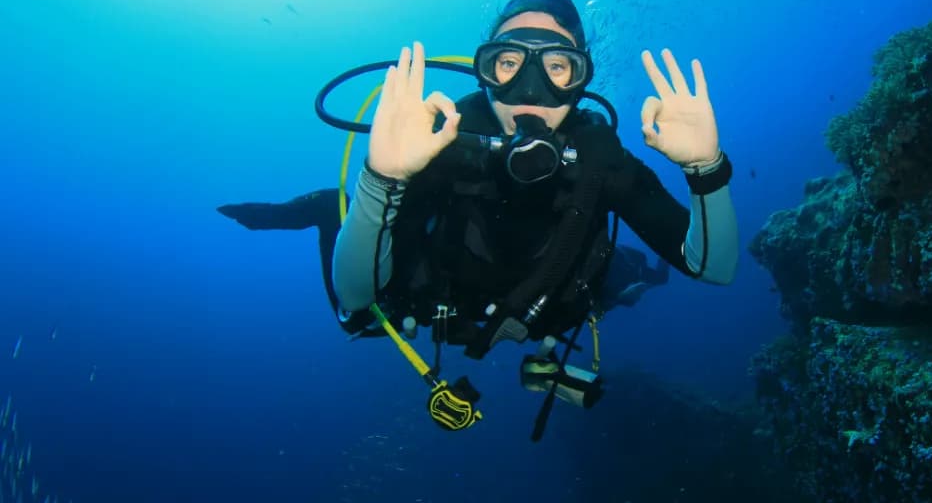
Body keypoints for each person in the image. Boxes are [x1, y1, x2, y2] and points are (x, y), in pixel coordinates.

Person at [331, 0, 736, 420]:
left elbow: (715, 268)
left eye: (557, 66)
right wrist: (383, 178)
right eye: (509, 63)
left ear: (580, 80)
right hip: (444, 302)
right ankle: (325, 209)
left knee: (622, 280)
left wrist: (705, 169)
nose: (529, 90)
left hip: (551, 308)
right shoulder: (439, 143)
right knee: (358, 313)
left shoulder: (601, 158)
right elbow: (355, 296)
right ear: (486, 71)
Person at [217, 188, 671, 317]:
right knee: (354, 305)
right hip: (413, 268)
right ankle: (280, 215)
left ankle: (281, 214)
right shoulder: (594, 265)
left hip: (397, 285)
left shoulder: (591, 267)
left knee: (332, 209)